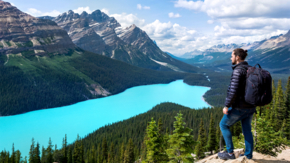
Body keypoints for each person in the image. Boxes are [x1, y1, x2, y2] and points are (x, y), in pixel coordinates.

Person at [218, 48, 256, 160]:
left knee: (224, 125)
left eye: (232, 55)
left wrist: (226, 105)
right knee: (247, 130)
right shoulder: (250, 69)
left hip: (240, 107)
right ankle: (248, 155)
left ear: (237, 57)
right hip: (251, 106)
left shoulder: (238, 70)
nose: (231, 58)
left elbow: (233, 91)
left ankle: (230, 153)